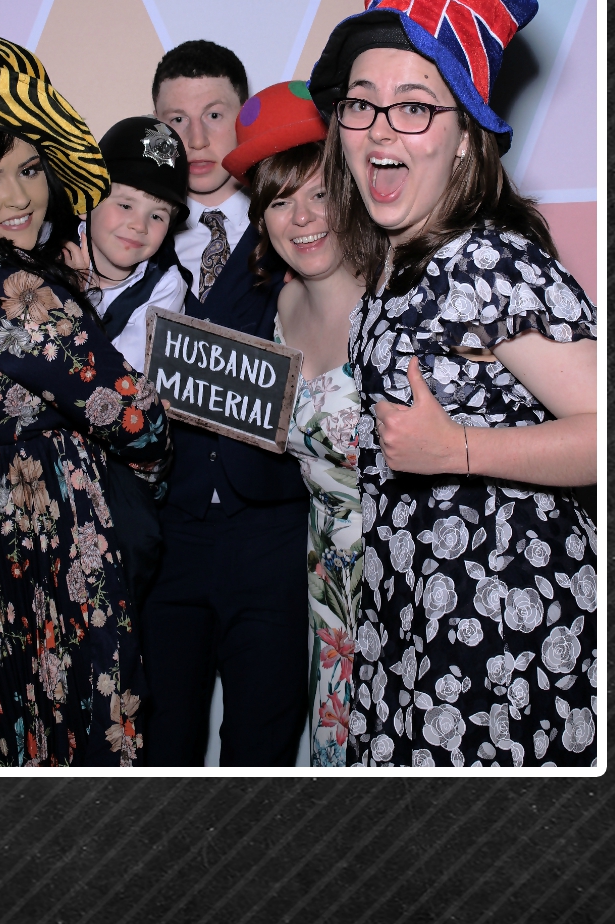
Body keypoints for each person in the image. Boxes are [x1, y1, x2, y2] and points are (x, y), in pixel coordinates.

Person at [307, 0, 597, 767]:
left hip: (500, 638)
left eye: (414, 106)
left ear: (466, 134)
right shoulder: (395, 267)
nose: (380, 130)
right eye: (361, 103)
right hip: (414, 620)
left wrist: (458, 449)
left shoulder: (489, 261)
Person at [0, 28, 170, 767]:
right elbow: (133, 418)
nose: (18, 197)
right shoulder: (13, 289)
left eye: (29, 169)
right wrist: (135, 483)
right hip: (47, 538)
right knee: (79, 730)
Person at [142, 39, 313, 766]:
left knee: (262, 751)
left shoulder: (299, 228)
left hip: (271, 532)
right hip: (164, 532)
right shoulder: (128, 234)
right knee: (159, 746)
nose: (197, 137)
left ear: (242, 120)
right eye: (175, 120)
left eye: (215, 114)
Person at [219, 80, 367, 767]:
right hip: (329, 580)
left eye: (320, 193)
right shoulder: (270, 308)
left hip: (414, 564)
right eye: (280, 201)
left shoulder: (405, 294)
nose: (302, 217)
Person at [79, 115, 191, 370]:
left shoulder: (165, 285)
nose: (139, 226)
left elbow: (122, 376)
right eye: (125, 205)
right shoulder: (47, 247)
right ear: (87, 202)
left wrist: (76, 304)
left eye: (157, 216)